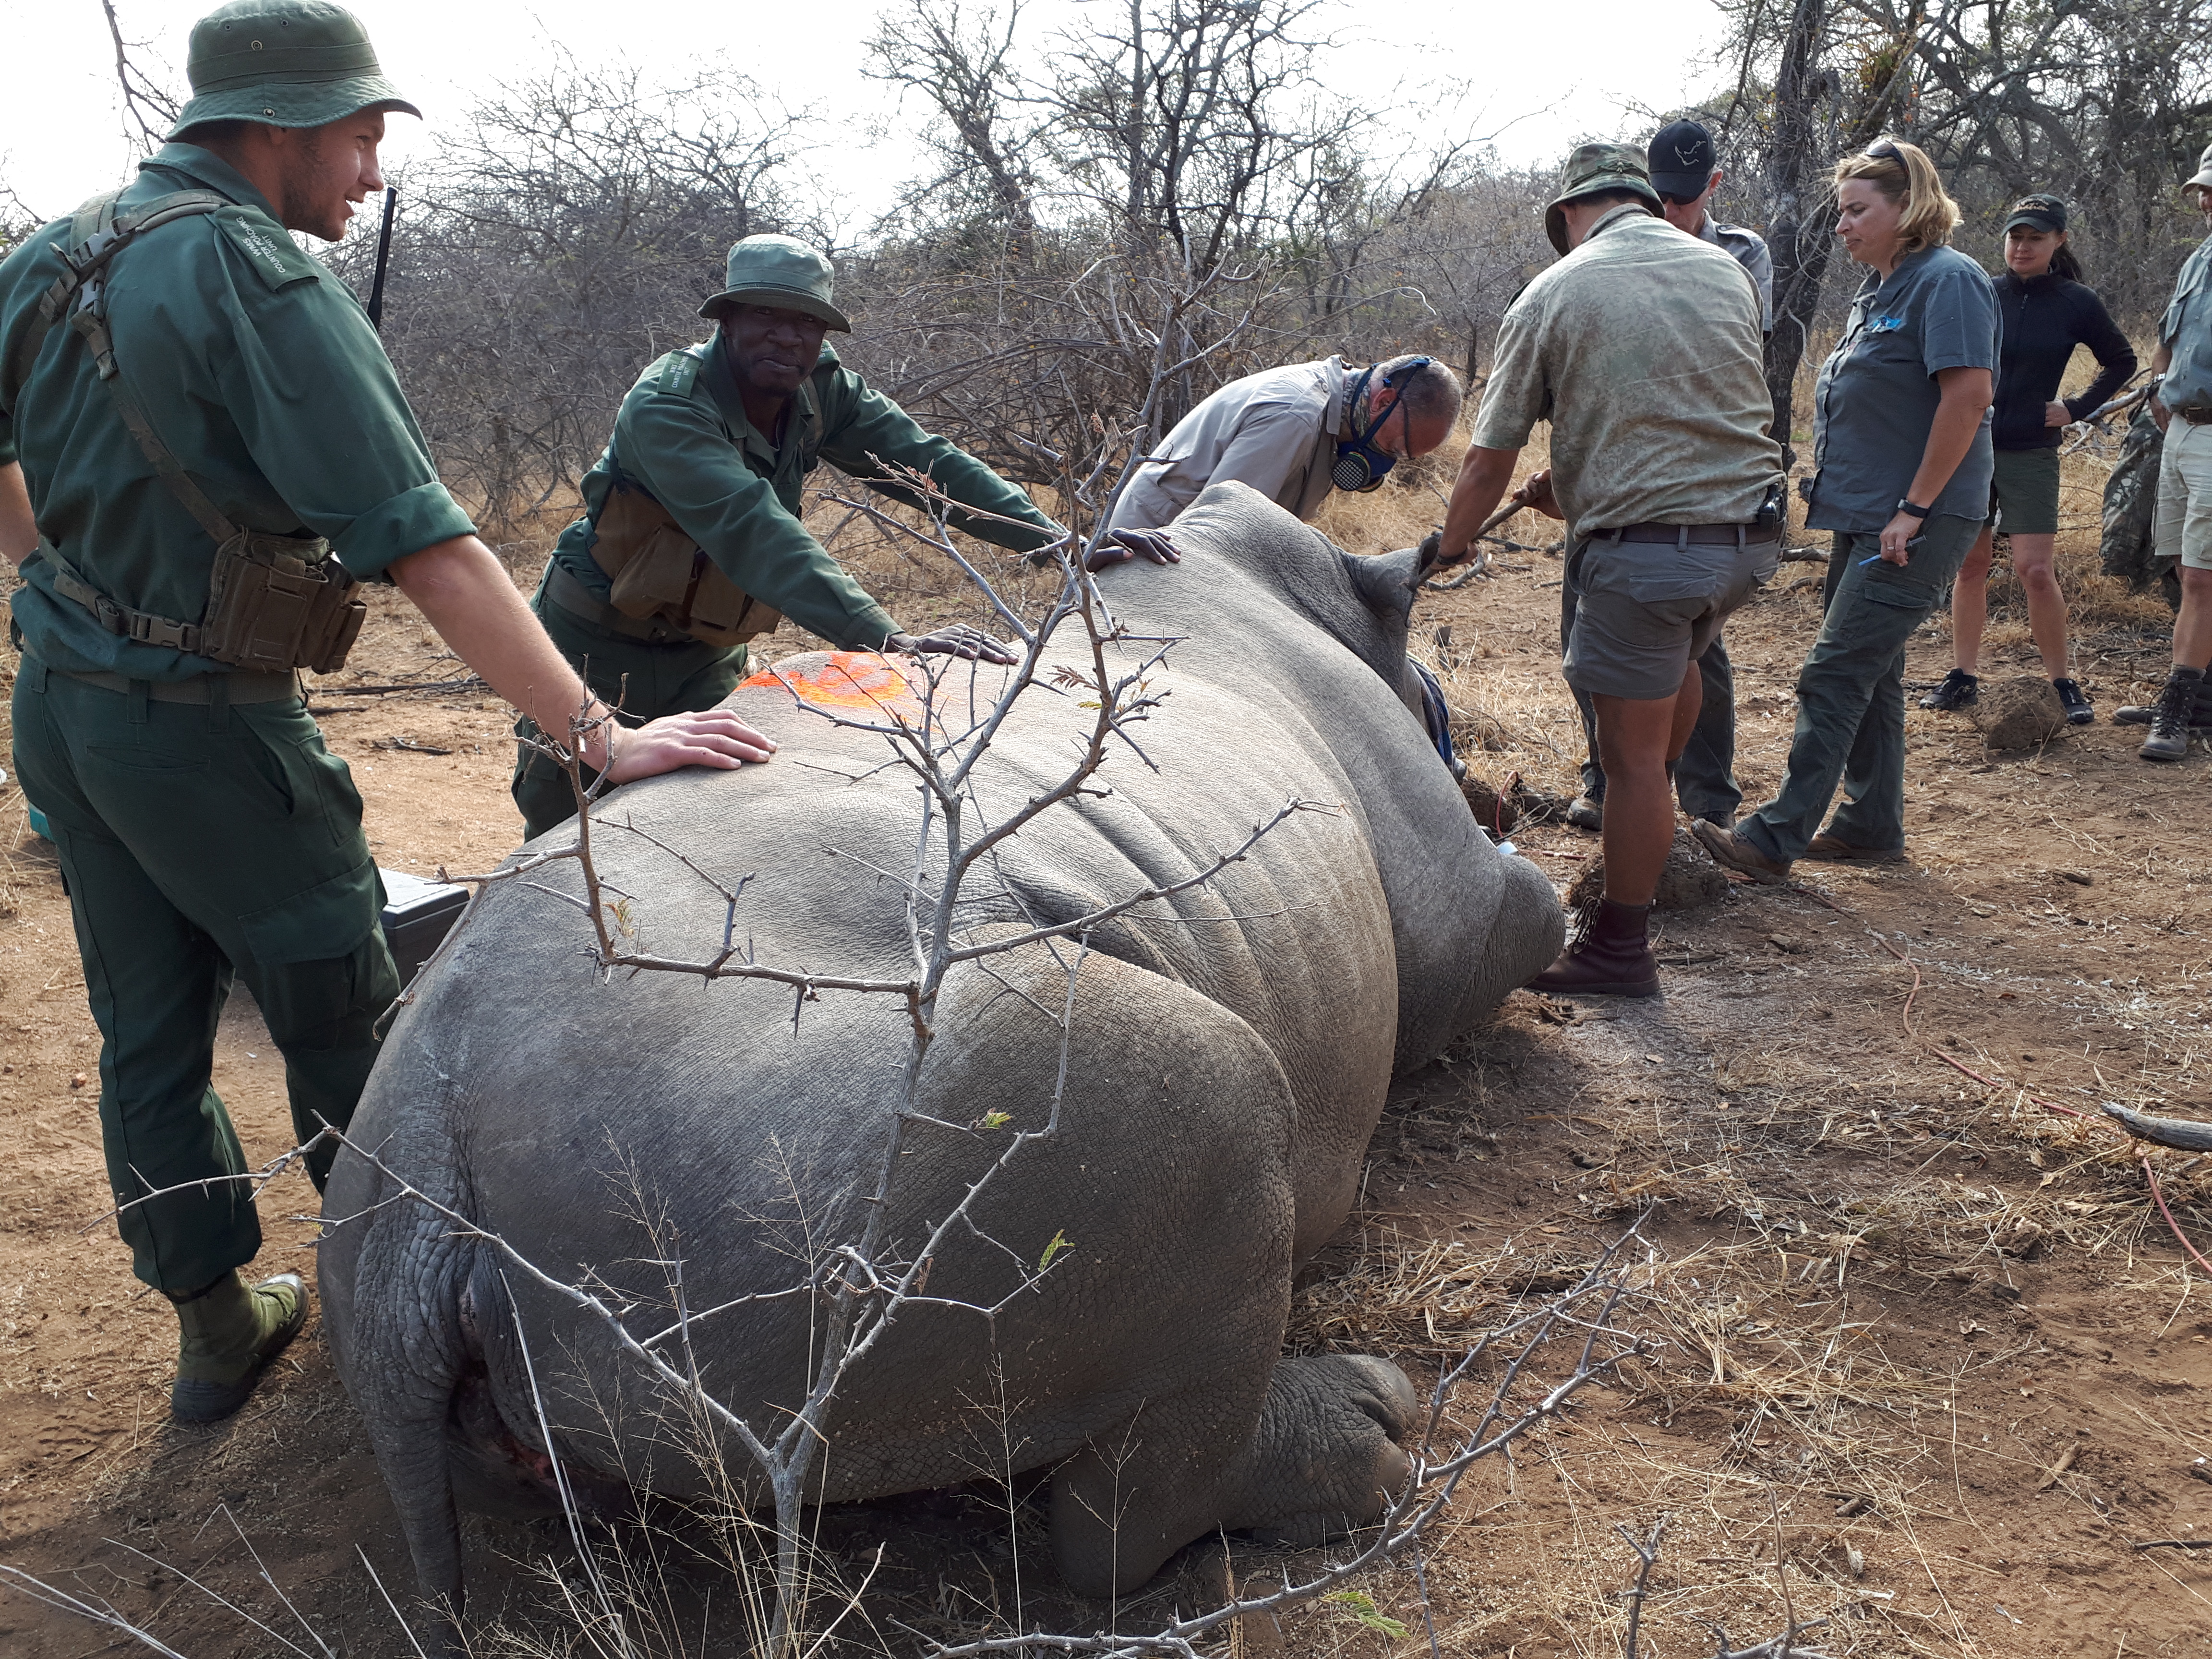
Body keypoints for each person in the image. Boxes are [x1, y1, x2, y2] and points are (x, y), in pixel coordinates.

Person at [0, 0, 775, 1424]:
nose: (369, 171)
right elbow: (432, 552)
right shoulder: (254, 278)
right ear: (282, 128)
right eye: (360, 137)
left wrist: (78, 578)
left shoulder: (51, 255)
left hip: (63, 709)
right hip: (210, 731)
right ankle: (428, 1338)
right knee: (348, 1013)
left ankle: (216, 1325)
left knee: (148, 1030)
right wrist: (599, 739)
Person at [515, 234, 1069, 837]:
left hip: (709, 650)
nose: (788, 336)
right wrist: (886, 639)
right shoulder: (668, 403)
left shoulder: (822, 390)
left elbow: (928, 465)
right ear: (726, 320)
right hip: (597, 643)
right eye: (766, 315)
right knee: (570, 826)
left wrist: (1057, 544)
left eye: (807, 322)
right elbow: (755, 530)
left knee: (709, 822)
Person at [1432, 142, 1784, 998]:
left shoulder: (1554, 290)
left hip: (1650, 558)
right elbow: (1689, 405)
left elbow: (1487, 460)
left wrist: (1449, 545)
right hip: (1746, 540)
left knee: (1624, 762)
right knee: (1683, 665)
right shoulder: (1720, 270)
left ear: (1566, 218)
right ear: (1644, 202)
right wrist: (1587, 482)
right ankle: (1654, 809)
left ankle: (1619, 948)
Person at [1695, 140, 1997, 886]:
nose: (1843, 226)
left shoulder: (1949, 281)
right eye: (1842, 211)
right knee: (1874, 670)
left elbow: (1968, 398)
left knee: (1833, 673)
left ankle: (1773, 839)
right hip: (1866, 514)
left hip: (1917, 517)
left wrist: (1915, 508)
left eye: (1859, 210)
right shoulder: (1880, 289)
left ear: (1910, 207)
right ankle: (1870, 824)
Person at [1559, 119, 1779, 836]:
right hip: (1621, 469)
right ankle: (1611, 775)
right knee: (1593, 630)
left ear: (1711, 189)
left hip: (1704, 469)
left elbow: (1737, 369)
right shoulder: (1600, 259)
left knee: (1695, 647)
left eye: (1685, 198)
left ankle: (1706, 796)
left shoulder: (1740, 256)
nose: (1673, 212)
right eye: (1662, 198)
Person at [1919, 194, 2136, 723]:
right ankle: (1963, 676)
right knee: (1970, 566)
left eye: (2036, 237)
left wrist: (2076, 408)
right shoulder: (1983, 292)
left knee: (2035, 569)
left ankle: (2062, 682)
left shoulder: (2075, 301)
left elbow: (2122, 359)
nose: (2023, 246)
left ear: (2058, 241)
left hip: (2031, 450)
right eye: (2016, 236)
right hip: (1974, 447)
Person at [1101, 354, 1464, 539]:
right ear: (1383, 402)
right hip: (1151, 547)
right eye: (1397, 448)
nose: (1390, 462)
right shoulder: (1295, 416)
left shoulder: (1336, 420)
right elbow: (1217, 530)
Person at [2134, 143, 2212, 761]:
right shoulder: (2197, 260)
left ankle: (2178, 708)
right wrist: (2158, 386)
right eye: (2203, 191)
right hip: (2181, 428)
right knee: (2179, 565)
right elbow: (2167, 338)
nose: (2207, 200)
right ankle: (2199, 692)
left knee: (2201, 576)